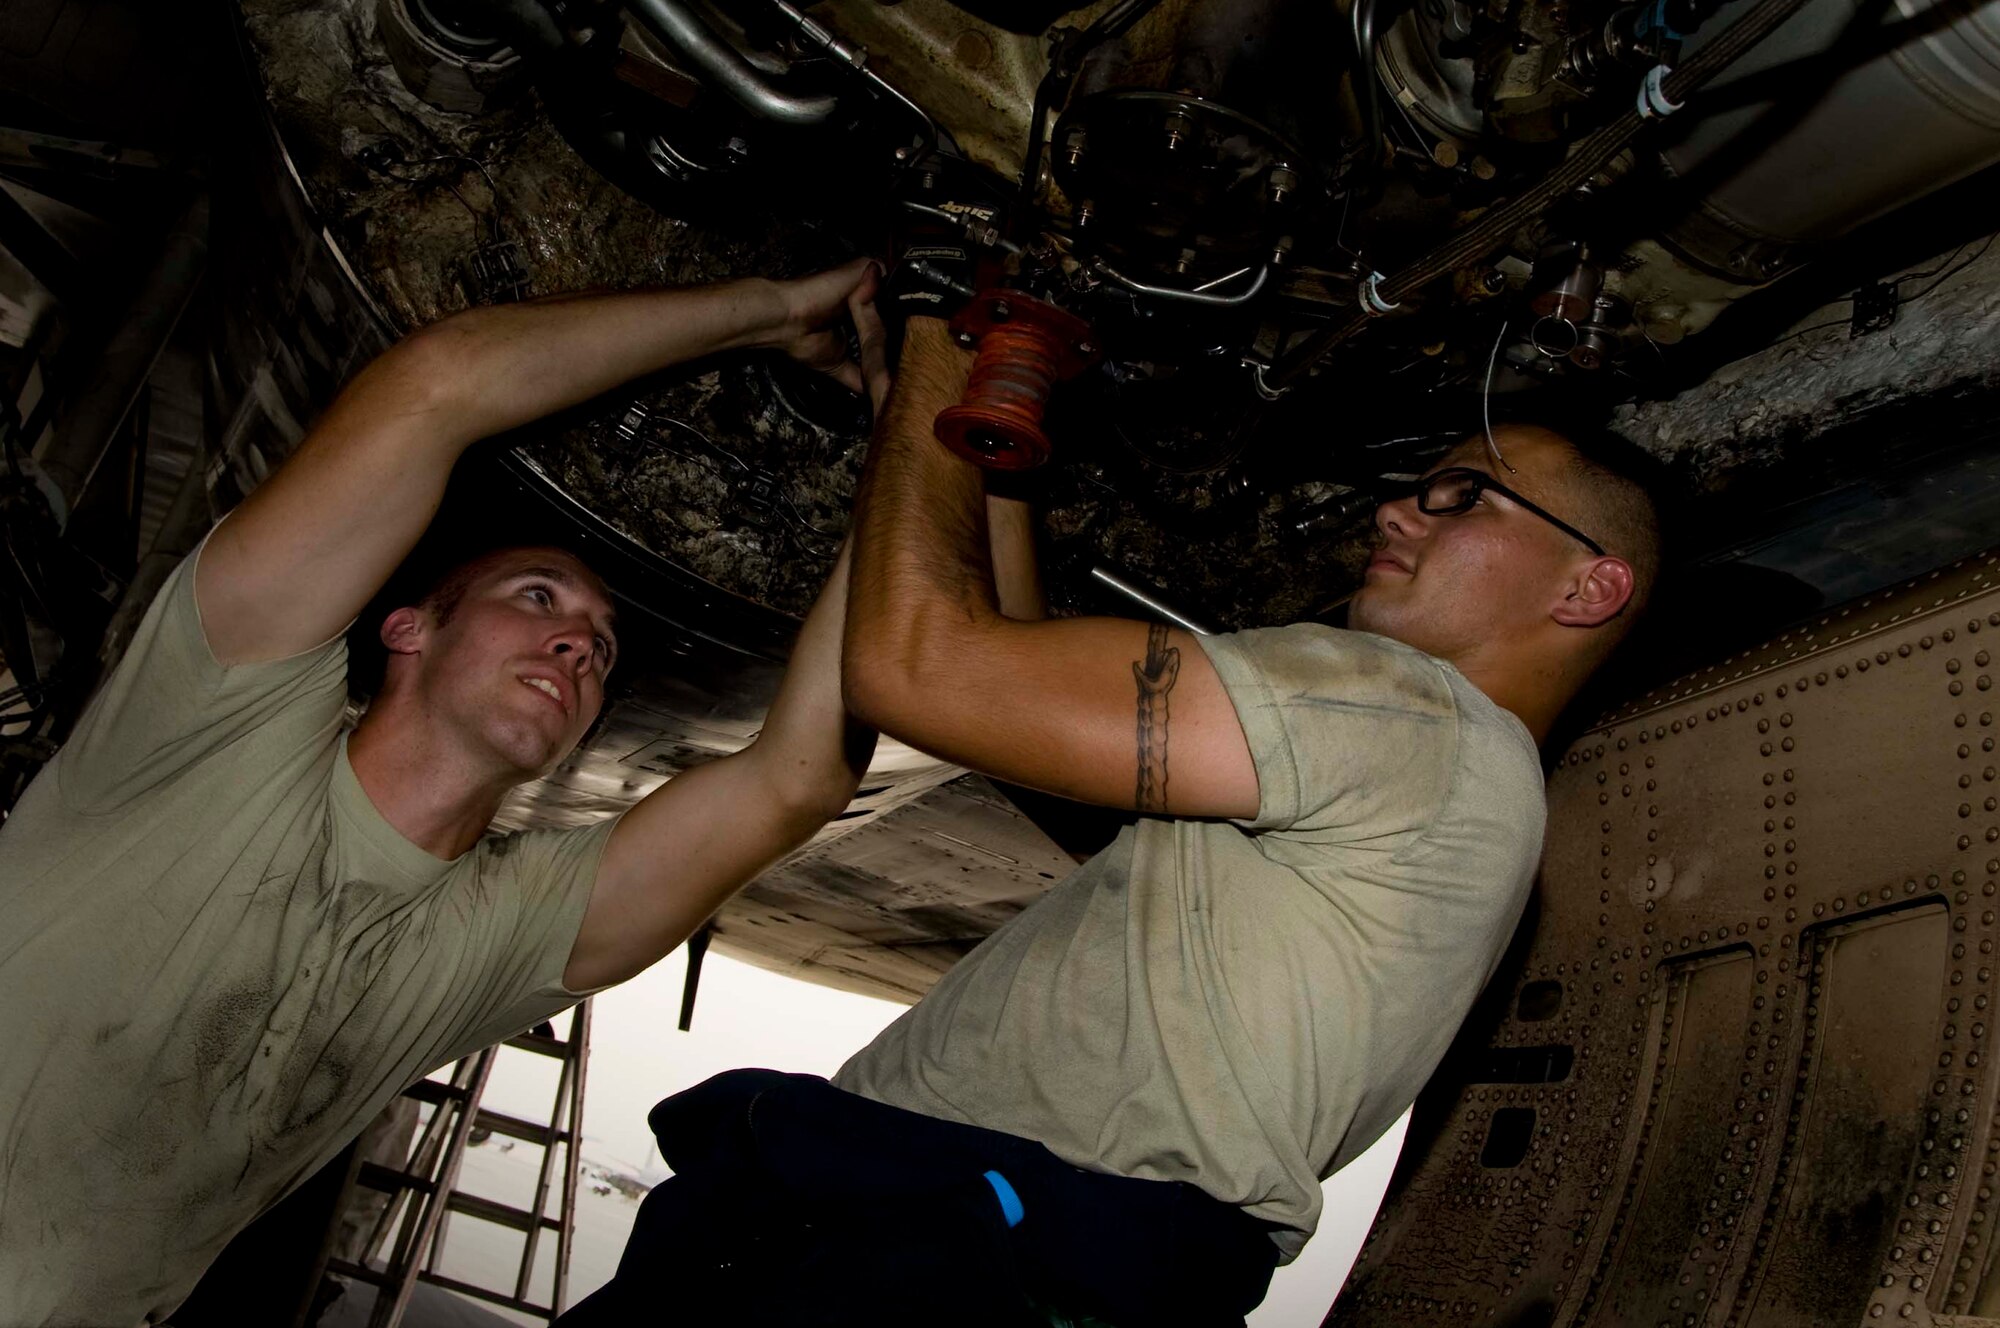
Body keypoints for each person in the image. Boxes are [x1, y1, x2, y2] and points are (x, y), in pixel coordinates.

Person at [571, 312, 1664, 1327]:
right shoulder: (1464, 785)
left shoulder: (1402, 705)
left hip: (935, 1266)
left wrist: (947, 343)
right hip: (996, 1254)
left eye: (1463, 495)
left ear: (1588, 586)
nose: (1395, 507)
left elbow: (922, 670)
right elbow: (1042, 720)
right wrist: (998, 437)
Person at [0, 261, 895, 1327]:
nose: (578, 642)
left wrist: (904, 433)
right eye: (535, 598)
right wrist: (775, 311)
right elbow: (434, 388)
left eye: (601, 650)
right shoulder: (211, 719)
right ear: (408, 628)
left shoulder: (494, 936)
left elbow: (796, 777)